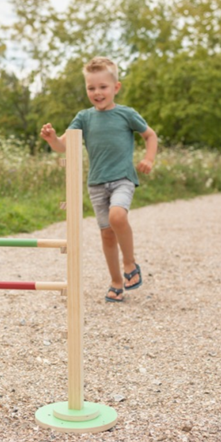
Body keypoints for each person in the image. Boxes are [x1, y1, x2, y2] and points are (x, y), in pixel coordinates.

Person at [40, 56, 158, 303]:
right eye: (91, 88)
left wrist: (149, 159)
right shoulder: (84, 117)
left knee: (118, 217)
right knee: (106, 234)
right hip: (96, 183)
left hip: (123, 178)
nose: (97, 92)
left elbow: (150, 135)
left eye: (103, 87)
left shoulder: (127, 114)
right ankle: (116, 281)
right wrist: (52, 139)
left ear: (116, 87)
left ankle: (129, 262)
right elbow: (65, 146)